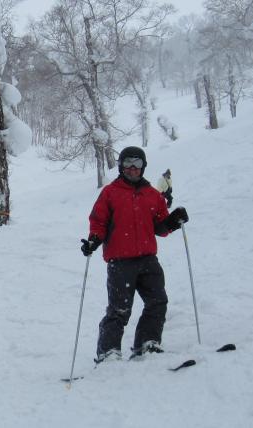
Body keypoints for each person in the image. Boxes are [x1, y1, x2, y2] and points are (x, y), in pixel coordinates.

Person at [80, 146, 189, 363]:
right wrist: (94, 240)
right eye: (128, 163)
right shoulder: (110, 193)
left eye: (137, 163)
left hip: (148, 259)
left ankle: (147, 343)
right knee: (119, 310)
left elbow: (160, 227)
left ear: (143, 167)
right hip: (120, 262)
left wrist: (173, 221)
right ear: (121, 166)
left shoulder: (152, 195)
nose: (132, 168)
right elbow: (99, 221)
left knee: (158, 301)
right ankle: (108, 351)